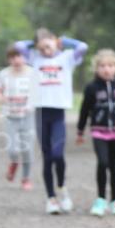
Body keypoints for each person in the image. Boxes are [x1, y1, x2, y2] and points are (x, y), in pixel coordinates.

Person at [16, 28, 88, 215]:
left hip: (58, 113)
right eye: (41, 48)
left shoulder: (67, 58)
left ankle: (62, 188)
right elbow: (19, 46)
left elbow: (83, 47)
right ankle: (51, 198)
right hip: (41, 112)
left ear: (55, 41)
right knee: (47, 157)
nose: (45, 51)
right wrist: (35, 43)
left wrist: (63, 41)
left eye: (48, 46)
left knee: (58, 154)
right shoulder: (34, 58)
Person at [75, 49, 115, 217]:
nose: (106, 69)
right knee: (103, 163)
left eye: (110, 65)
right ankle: (101, 199)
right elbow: (84, 110)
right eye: (102, 66)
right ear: (96, 68)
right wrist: (80, 131)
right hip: (99, 132)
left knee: (114, 166)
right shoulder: (92, 88)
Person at [0, 46, 39, 190]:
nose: (16, 60)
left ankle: (26, 178)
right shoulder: (3, 74)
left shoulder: (32, 73)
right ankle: (14, 162)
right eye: (13, 57)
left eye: (19, 56)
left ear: (25, 57)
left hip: (27, 116)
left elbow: (37, 93)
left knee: (27, 149)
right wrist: (1, 98)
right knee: (12, 150)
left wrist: (30, 105)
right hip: (11, 116)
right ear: (9, 59)